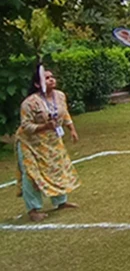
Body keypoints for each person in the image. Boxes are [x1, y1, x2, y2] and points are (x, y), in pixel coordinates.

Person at [15, 66, 80, 222]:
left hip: (51, 141)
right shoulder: (29, 103)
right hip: (30, 143)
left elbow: (64, 114)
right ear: (38, 84)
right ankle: (33, 209)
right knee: (31, 174)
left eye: (52, 77)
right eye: (47, 78)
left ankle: (61, 202)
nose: (51, 79)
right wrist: (45, 126)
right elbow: (26, 126)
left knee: (57, 168)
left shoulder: (59, 96)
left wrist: (71, 129)